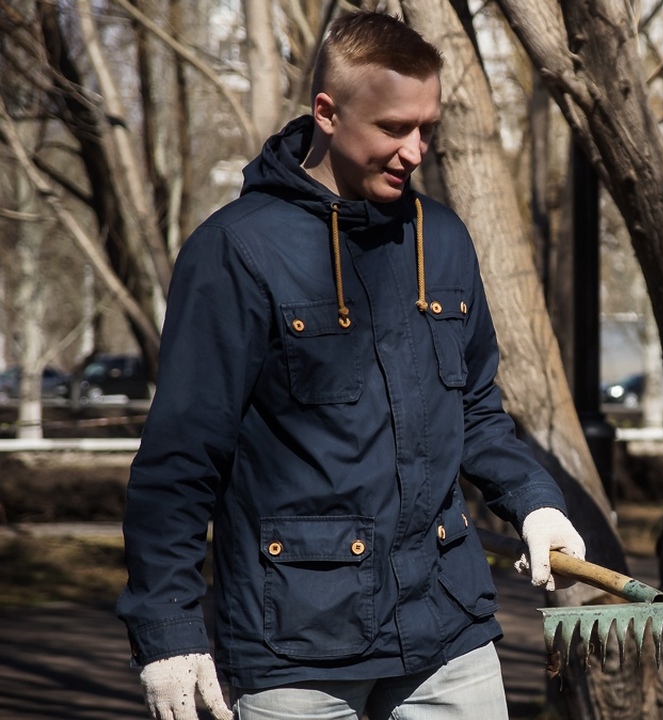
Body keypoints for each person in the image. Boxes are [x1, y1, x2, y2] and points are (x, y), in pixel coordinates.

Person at [117, 11, 585, 720]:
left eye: (427, 128)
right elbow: (181, 458)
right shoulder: (238, 251)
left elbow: (476, 410)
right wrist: (168, 631)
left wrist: (535, 500)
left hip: (448, 630)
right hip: (295, 645)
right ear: (328, 113)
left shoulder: (444, 239)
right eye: (394, 128)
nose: (416, 150)